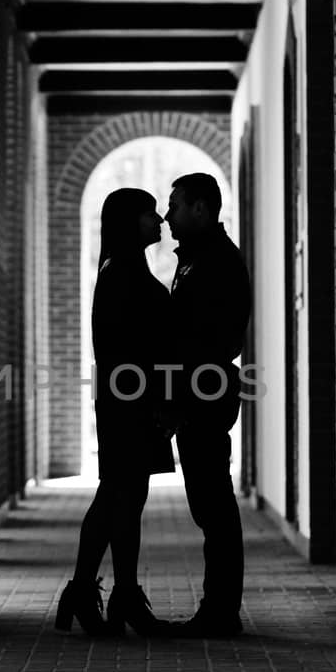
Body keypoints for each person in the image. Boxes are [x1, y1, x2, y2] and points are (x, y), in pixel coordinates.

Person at [55, 188, 175, 638]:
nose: (159, 219)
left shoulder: (122, 269)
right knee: (121, 499)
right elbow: (131, 349)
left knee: (119, 499)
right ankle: (113, 594)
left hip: (126, 403)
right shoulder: (122, 273)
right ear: (129, 221)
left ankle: (95, 593)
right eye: (149, 214)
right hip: (131, 405)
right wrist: (158, 401)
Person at [162, 172, 251, 638]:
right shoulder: (198, 257)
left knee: (213, 506)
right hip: (200, 390)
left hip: (205, 393)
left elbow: (209, 337)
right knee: (209, 506)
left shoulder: (216, 260)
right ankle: (219, 609)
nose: (166, 214)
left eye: (174, 205)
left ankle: (220, 611)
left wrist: (185, 395)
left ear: (200, 208)